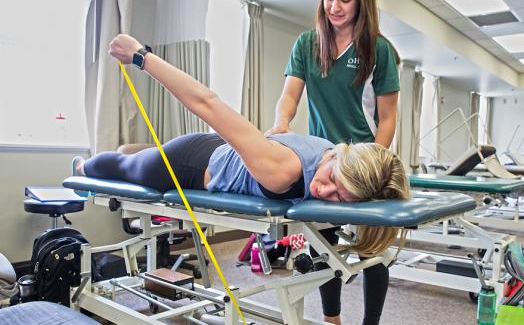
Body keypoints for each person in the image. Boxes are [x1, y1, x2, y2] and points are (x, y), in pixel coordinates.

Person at [73, 33, 409, 259]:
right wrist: (141, 56)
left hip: (226, 152)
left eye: (340, 197)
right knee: (124, 169)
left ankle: (130, 150)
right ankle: (83, 167)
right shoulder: (283, 170)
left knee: (136, 155)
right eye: (333, 179)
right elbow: (205, 102)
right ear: (339, 155)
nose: (324, 191)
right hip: (189, 164)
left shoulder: (335, 151)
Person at [266, 0, 401, 325]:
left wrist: (374, 164)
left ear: (361, 2)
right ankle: (332, 319)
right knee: (323, 246)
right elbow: (290, 95)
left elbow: (387, 118)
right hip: (322, 163)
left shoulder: (378, 50)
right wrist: (281, 124)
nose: (335, 7)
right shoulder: (308, 43)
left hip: (363, 164)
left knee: (375, 252)